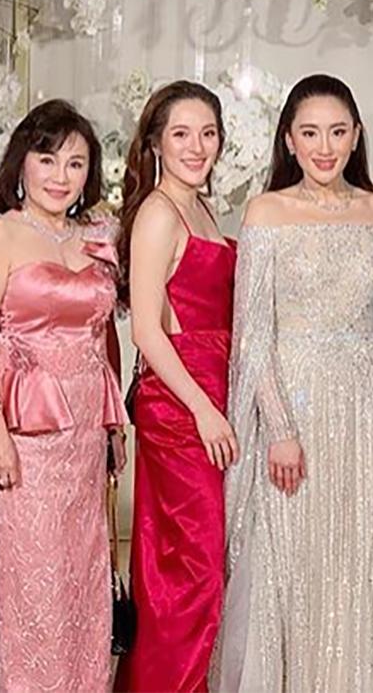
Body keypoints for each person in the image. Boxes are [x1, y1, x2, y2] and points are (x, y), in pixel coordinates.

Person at [212, 74, 373, 691]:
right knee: (299, 553)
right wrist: (279, 429)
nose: (324, 147)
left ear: (356, 136)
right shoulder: (266, 211)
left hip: (372, 402)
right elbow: (252, 333)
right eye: (310, 133)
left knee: (368, 550)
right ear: (289, 140)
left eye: (337, 132)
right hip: (296, 399)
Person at [0, 100, 128, 692]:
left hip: (84, 433)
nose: (61, 176)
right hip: (24, 436)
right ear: (23, 163)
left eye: (76, 164)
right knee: (34, 585)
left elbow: (103, 335)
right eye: (48, 159)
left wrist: (113, 425)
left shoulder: (98, 236)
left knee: (84, 578)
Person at [114, 81, 237, 693]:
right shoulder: (159, 212)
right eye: (181, 134)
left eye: (207, 133)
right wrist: (203, 409)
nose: (196, 146)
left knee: (206, 566)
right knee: (193, 570)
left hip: (216, 391)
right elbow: (146, 330)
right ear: (156, 142)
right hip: (182, 403)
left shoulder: (202, 208)